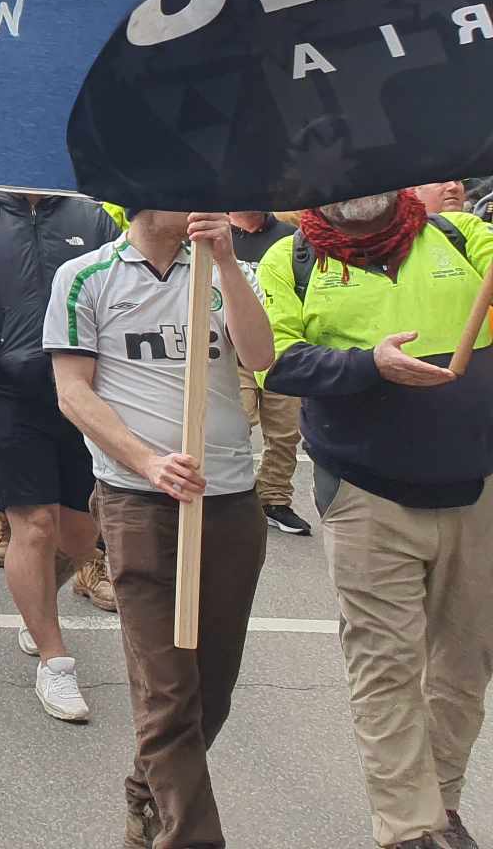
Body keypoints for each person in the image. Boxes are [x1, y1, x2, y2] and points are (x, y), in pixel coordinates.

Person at [258, 188, 493, 849]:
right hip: (365, 496)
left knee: (464, 669)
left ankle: (442, 806)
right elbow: (276, 362)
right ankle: (408, 827)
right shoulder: (291, 258)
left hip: (477, 488)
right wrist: (370, 365)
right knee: (385, 666)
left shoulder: (462, 236)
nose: (360, 188)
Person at [48, 210, 273, 846]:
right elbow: (73, 392)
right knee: (169, 691)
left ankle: (147, 794)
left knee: (211, 692)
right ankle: (192, 836)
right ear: (142, 198)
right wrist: (146, 459)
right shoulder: (85, 277)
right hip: (137, 503)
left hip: (229, 501)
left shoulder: (231, 270)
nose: (205, 201)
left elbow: (261, 357)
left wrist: (227, 263)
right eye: (186, 191)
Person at [0, 189, 121, 723]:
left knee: (83, 535)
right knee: (33, 524)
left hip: (83, 392)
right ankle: (55, 661)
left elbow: (119, 287)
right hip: (8, 394)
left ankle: (35, 604)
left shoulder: (91, 217)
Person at [227, 209, 309, 537]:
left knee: (286, 431)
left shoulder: (291, 238)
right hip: (231, 352)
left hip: (281, 349)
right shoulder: (215, 236)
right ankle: (232, 498)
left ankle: (274, 500)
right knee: (235, 423)